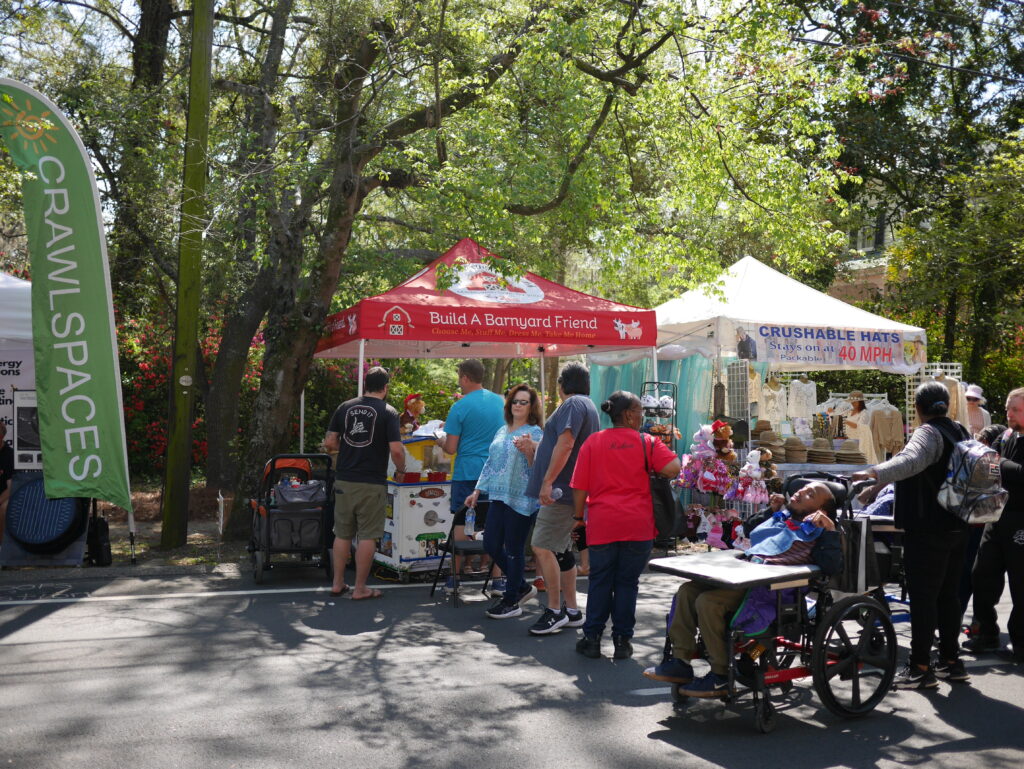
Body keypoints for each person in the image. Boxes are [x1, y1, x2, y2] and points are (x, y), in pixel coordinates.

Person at [643, 483, 839, 696]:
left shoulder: (821, 533)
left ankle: (720, 677)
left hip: (771, 591)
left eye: (810, 494)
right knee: (687, 591)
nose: (801, 492)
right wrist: (770, 511)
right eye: (803, 488)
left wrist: (830, 531)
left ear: (822, 511)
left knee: (708, 602)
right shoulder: (781, 518)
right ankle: (680, 661)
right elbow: (750, 532)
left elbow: (831, 566)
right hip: (746, 575)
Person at [853, 381, 973, 688]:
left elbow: (910, 462)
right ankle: (951, 662)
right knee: (948, 597)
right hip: (959, 525)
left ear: (917, 409)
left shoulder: (927, 433)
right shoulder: (959, 431)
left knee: (924, 598)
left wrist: (873, 472)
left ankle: (920, 667)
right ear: (947, 405)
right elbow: (919, 467)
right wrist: (876, 488)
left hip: (928, 529)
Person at [571, 391, 680, 659]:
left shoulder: (593, 443)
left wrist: (577, 518)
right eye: (640, 410)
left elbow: (580, 487)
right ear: (629, 414)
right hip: (638, 524)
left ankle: (592, 638)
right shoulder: (648, 442)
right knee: (627, 583)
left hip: (603, 523)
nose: (642, 414)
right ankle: (622, 641)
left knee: (599, 581)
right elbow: (674, 468)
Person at [522, 361, 600, 635]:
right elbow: (565, 444)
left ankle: (554, 611)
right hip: (570, 490)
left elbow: (566, 444)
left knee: (541, 546)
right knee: (561, 551)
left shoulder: (572, 405)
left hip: (562, 491)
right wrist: (537, 448)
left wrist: (547, 482)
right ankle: (572, 610)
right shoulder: (586, 405)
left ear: (562, 385)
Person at [323, 366, 405, 601]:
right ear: (385, 388)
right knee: (368, 535)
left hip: (344, 479)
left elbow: (330, 442)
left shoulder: (345, 407)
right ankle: (360, 588)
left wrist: (347, 449)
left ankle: (338, 584)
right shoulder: (389, 412)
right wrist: (401, 470)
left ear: (365, 384)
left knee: (342, 533)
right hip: (371, 481)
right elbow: (397, 450)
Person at [465, 383, 544, 619]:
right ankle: (520, 585)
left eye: (524, 402)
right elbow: (489, 463)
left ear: (532, 407)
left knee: (514, 549)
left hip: (521, 499)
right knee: (490, 544)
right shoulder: (502, 430)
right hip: (498, 496)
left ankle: (511, 600)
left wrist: (529, 451)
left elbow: (538, 469)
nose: (518, 405)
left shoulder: (536, 433)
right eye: (515, 401)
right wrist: (477, 490)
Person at [963, 388, 1024, 662]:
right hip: (996, 513)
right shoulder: (1008, 434)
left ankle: (1020, 642)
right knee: (981, 573)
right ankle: (985, 632)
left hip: (1020, 518)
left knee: (1020, 583)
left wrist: (996, 460)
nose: (1009, 414)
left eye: (1016, 410)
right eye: (1008, 408)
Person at [436, 360, 505, 581]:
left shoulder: (460, 406)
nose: (459, 382)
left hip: (467, 472)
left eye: (459, 377)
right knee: (495, 522)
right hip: (496, 471)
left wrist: (440, 441)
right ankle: (497, 578)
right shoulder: (500, 402)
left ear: (465, 377)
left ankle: (454, 577)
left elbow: (451, 448)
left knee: (460, 520)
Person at [958, 423, 1008, 613]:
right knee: (972, 578)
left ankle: (965, 621)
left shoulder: (995, 464)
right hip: (978, 526)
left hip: (982, 528)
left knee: (970, 578)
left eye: (983, 443)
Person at [0, 421, 13, 541]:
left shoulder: (9, 455)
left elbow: (10, 487)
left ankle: (1, 547)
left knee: (4, 508)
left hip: (3, 496)